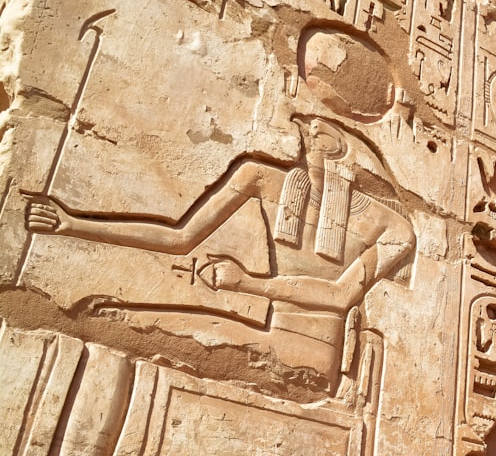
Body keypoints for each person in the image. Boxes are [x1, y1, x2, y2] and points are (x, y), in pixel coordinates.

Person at [24, 114, 416, 387]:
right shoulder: (262, 177)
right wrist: (74, 225)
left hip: (308, 358)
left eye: (314, 131)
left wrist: (247, 284)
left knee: (121, 336)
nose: (303, 137)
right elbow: (180, 238)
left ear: (337, 145)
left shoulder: (393, 227)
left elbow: (339, 297)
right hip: (264, 332)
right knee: (114, 320)